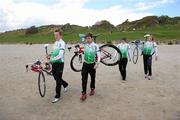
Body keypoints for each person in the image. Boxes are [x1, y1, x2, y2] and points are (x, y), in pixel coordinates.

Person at [48, 29, 68, 103]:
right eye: (54, 35)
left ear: (60, 35)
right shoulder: (55, 42)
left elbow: (60, 55)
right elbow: (55, 52)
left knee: (58, 79)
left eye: (57, 35)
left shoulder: (62, 43)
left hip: (60, 63)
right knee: (55, 77)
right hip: (54, 63)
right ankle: (65, 84)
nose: (55, 36)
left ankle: (57, 96)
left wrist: (51, 60)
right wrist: (50, 54)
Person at [80, 33, 101, 101]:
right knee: (84, 79)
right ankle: (84, 93)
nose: (88, 40)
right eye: (86, 38)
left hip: (92, 64)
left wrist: (97, 63)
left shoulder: (95, 46)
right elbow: (84, 52)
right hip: (85, 64)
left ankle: (92, 89)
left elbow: (99, 55)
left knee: (92, 78)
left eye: (89, 38)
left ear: (92, 38)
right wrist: (80, 51)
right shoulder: (85, 45)